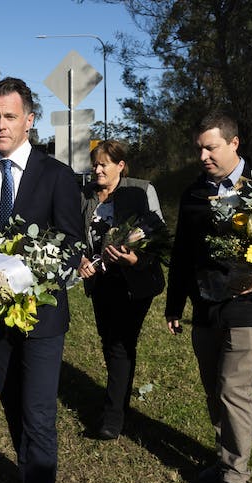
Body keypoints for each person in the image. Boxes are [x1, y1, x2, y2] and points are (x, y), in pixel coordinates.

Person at [0, 77, 83, 483]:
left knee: (38, 412)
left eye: (9, 116)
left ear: (29, 120)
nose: (0, 125)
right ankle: (26, 471)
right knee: (11, 403)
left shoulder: (57, 176)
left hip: (42, 317)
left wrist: (32, 273)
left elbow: (72, 243)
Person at [164, 111, 252, 483]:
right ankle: (224, 455)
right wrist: (174, 304)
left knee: (234, 385)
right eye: (198, 148)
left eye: (210, 147)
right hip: (206, 301)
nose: (202, 156)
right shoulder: (195, 192)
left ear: (234, 144)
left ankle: (234, 476)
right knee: (214, 386)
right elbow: (182, 253)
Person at [77, 140, 166, 440]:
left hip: (134, 283)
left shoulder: (141, 190)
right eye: (95, 163)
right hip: (101, 282)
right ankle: (118, 401)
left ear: (121, 166)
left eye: (104, 164)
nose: (97, 169)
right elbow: (76, 237)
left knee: (121, 343)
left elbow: (158, 234)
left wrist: (134, 257)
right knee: (109, 342)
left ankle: (113, 417)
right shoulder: (86, 196)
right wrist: (82, 260)